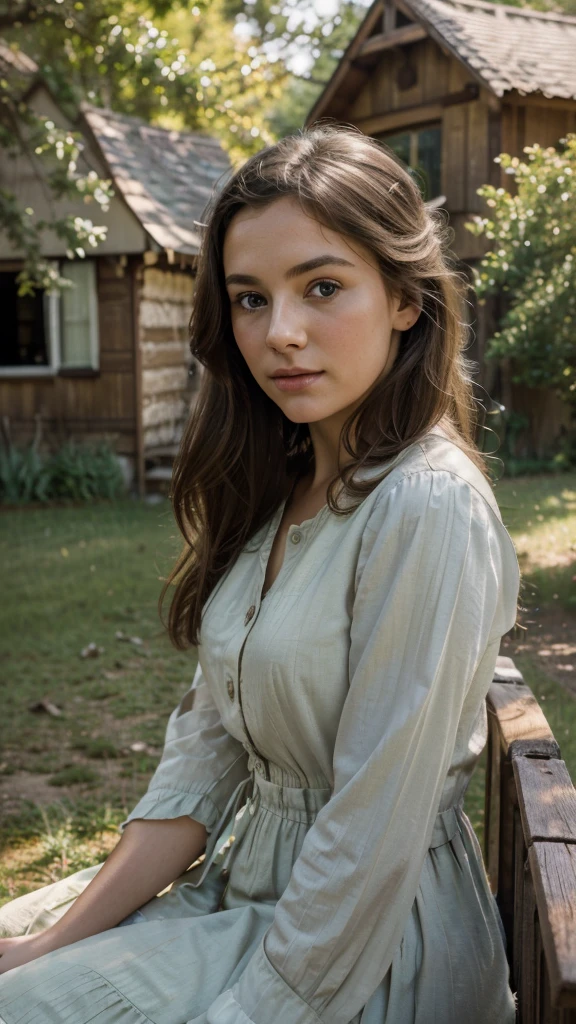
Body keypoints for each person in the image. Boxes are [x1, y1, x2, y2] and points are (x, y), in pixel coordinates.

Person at [0, 124, 521, 1024]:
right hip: (249, 891)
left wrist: (247, 1014)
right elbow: (202, 764)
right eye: (249, 298)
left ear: (404, 298)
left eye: (323, 287)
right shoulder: (280, 494)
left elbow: (370, 837)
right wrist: (53, 941)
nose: (280, 333)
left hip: (370, 949)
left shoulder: (426, 506)